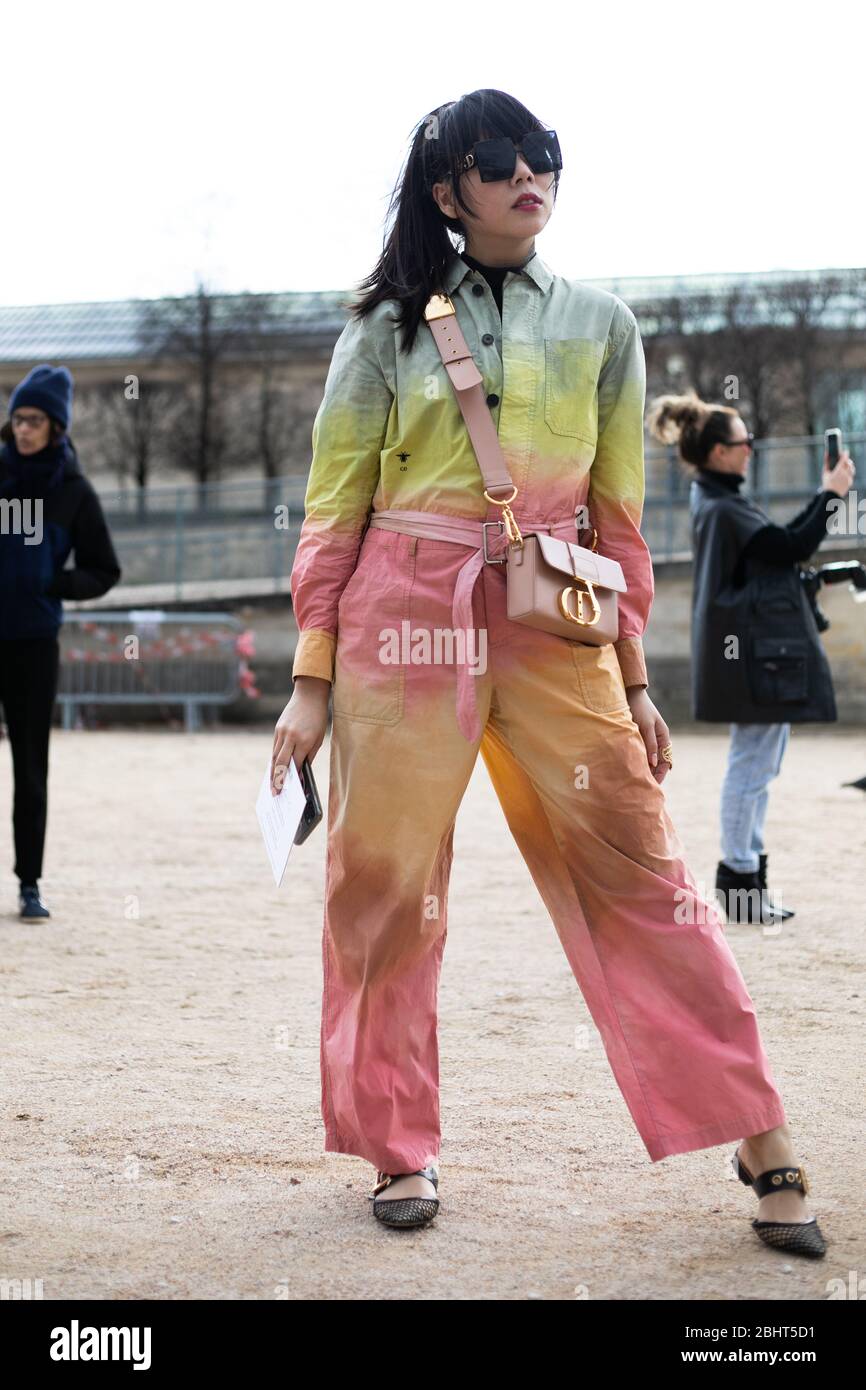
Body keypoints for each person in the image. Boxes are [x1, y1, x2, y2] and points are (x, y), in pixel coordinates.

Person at [272, 89, 826, 1256]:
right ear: (446, 189)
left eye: (544, 155)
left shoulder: (602, 327)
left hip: (552, 617)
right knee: (384, 886)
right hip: (403, 613)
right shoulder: (382, 328)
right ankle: (395, 1140)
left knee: (644, 867)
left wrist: (631, 678)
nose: (529, 171)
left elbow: (620, 524)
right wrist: (311, 677)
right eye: (497, 157)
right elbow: (333, 510)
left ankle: (754, 1124)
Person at [647, 390, 854, 925]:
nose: (751, 450)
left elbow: (780, 546)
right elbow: (790, 546)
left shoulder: (720, 503)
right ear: (718, 452)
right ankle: (741, 888)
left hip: (754, 656)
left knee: (758, 766)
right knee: (751, 769)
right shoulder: (722, 506)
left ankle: (748, 886)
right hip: (753, 659)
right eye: (745, 442)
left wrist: (823, 494)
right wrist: (832, 495)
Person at [0, 363, 122, 918]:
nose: (23, 428)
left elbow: (105, 569)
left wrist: (57, 583)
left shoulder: (73, 492)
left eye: (34, 420)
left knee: (31, 765)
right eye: (17, 418)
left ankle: (29, 884)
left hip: (33, 646)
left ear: (56, 426)